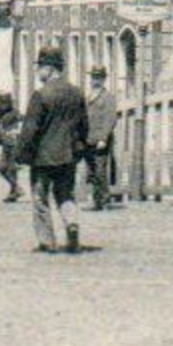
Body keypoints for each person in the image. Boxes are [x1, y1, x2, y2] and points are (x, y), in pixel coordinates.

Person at [16, 46, 87, 254]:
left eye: (40, 67)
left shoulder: (41, 95)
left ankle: (47, 242)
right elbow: (84, 125)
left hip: (43, 157)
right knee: (66, 195)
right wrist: (79, 149)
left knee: (40, 199)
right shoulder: (76, 93)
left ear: (49, 68)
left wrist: (20, 154)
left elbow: (30, 129)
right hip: (68, 156)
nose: (38, 73)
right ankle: (72, 224)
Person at [81, 66, 117, 211]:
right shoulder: (88, 96)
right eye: (94, 77)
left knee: (100, 170)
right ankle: (97, 200)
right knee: (91, 171)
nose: (95, 80)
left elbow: (110, 118)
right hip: (88, 139)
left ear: (104, 79)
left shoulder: (108, 97)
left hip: (100, 140)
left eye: (99, 78)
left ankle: (105, 200)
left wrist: (104, 138)